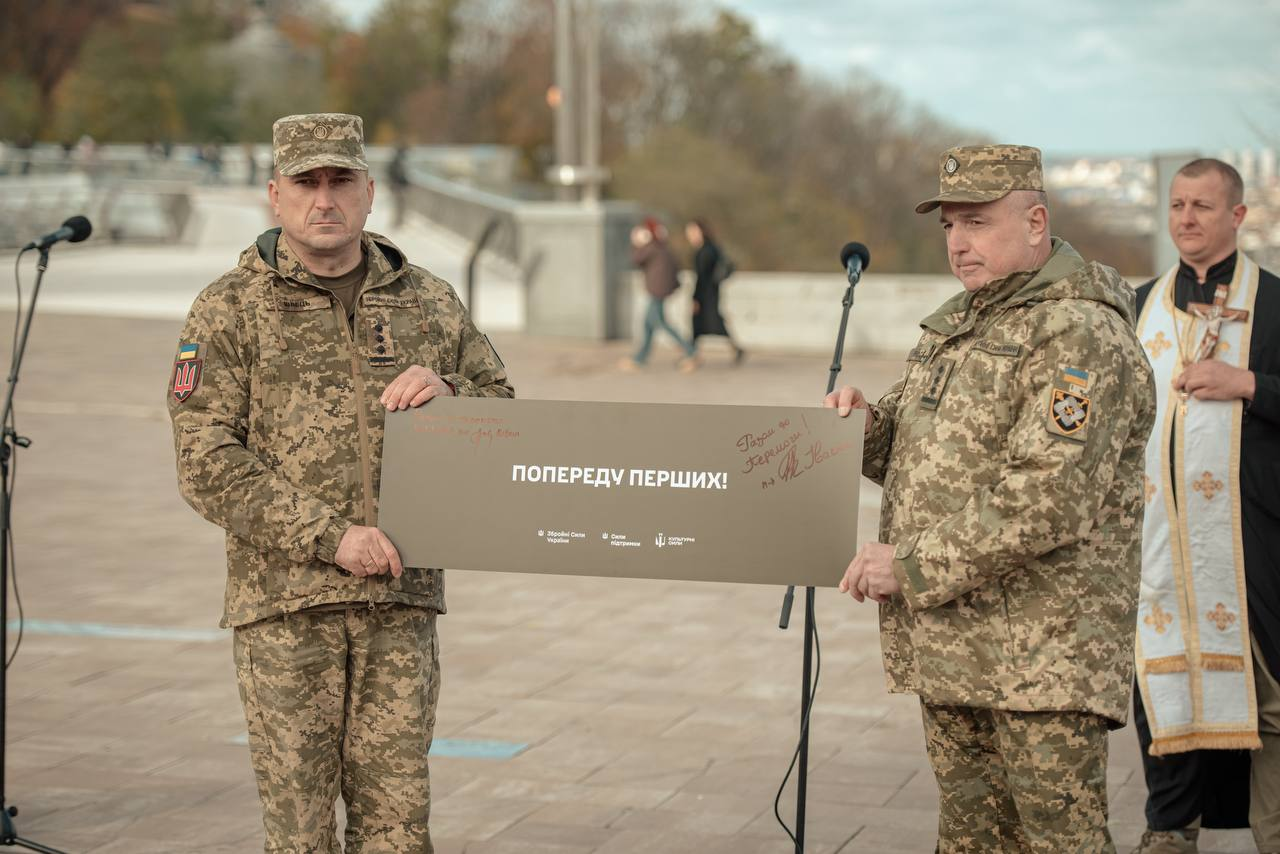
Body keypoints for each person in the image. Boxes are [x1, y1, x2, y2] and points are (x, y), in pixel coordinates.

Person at [167, 113, 514, 853]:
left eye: (340, 181)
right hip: (285, 605)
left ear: (369, 192)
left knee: (398, 827)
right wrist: (333, 538)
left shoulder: (427, 300)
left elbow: (506, 417)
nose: (323, 199)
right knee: (299, 832)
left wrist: (451, 390)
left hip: (400, 600)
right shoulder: (229, 307)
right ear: (275, 194)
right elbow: (205, 460)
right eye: (306, 182)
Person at [827, 144, 1156, 852]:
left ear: (1036, 221)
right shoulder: (965, 324)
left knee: (1057, 842)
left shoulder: (1080, 332)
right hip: (957, 645)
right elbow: (924, 453)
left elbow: (1050, 493)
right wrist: (862, 430)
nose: (957, 243)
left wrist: (909, 566)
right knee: (971, 840)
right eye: (948, 226)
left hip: (1041, 659)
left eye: (975, 222)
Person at [1129, 158, 1280, 854]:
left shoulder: (1275, 304)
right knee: (1160, 679)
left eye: (1203, 206)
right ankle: (1169, 829)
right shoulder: (1139, 307)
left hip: (1256, 538)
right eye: (1177, 204)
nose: (1186, 218)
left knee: (1271, 693)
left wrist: (1249, 381)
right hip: (1160, 539)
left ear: (1238, 216)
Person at [620, 217, 697, 372]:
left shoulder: (652, 248)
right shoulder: (663, 248)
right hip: (661, 291)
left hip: (656, 291)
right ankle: (639, 358)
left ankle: (691, 352)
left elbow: (636, 259)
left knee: (660, 323)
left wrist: (637, 243)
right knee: (648, 325)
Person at [686, 218, 745, 364]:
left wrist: (695, 298)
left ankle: (692, 355)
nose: (690, 235)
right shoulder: (711, 248)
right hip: (712, 292)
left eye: (692, 232)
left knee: (708, 322)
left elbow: (701, 277)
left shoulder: (705, 251)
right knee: (706, 323)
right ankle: (692, 353)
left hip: (706, 294)